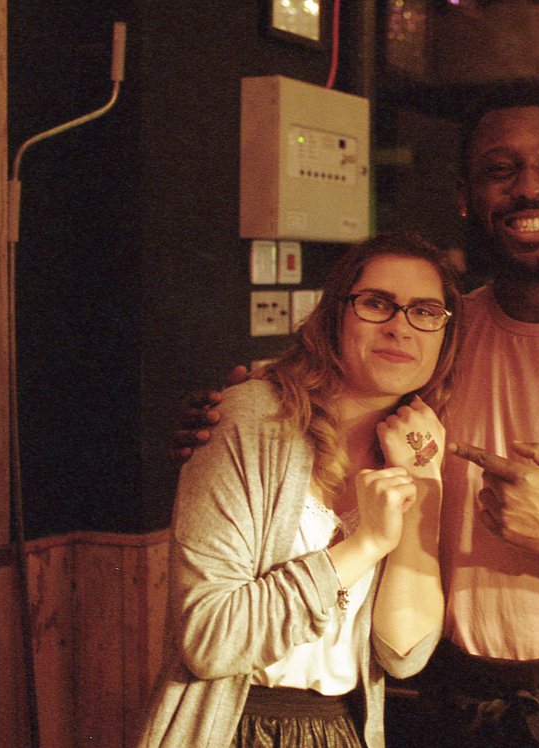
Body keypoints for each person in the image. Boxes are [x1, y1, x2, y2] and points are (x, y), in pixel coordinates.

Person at [175, 83, 539, 747]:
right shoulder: (434, 337)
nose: (528, 187)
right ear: (465, 197)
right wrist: (245, 409)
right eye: (499, 169)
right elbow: (327, 395)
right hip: (438, 696)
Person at [138, 231, 463, 747]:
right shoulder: (249, 419)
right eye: (377, 304)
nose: (401, 327)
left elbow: (404, 653)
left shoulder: (416, 449)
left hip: (341, 730)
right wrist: (364, 546)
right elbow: (209, 639)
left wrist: (425, 483)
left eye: (425, 311)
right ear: (334, 315)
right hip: (231, 727)